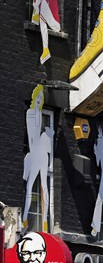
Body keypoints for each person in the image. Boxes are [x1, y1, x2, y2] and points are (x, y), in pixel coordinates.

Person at [22, 85, 54, 232]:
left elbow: (36, 138)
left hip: (41, 155)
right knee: (31, 186)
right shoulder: (30, 114)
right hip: (36, 153)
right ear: (34, 98)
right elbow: (32, 139)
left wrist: (47, 135)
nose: (39, 101)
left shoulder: (38, 115)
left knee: (44, 186)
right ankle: (25, 218)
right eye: (38, 97)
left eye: (41, 99)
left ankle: (45, 221)